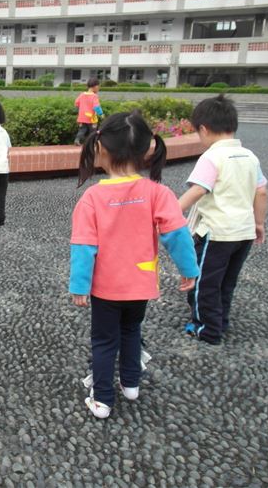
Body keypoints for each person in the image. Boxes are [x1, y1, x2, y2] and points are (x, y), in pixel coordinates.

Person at [69, 112, 199, 419]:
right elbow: (177, 234)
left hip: (106, 287)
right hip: (141, 284)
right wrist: (189, 269)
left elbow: (84, 246)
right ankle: (130, 385)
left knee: (104, 340)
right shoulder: (158, 192)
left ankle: (102, 399)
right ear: (145, 150)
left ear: (101, 148)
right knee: (131, 331)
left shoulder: (93, 197)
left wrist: (79, 285)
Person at [178, 95, 268, 345]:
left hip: (217, 234)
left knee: (205, 282)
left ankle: (207, 329)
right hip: (244, 233)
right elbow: (262, 192)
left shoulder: (211, 157)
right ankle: (221, 321)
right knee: (227, 282)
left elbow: (198, 189)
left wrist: (171, 211)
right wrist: (259, 223)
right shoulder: (250, 156)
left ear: (204, 129)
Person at [74, 77, 103, 145]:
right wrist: (101, 114)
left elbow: (76, 103)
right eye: (98, 86)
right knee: (93, 131)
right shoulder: (94, 96)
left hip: (82, 117)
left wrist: (80, 110)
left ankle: (77, 139)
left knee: (82, 130)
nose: (98, 88)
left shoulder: (82, 95)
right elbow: (96, 107)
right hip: (91, 118)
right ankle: (92, 143)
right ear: (95, 86)